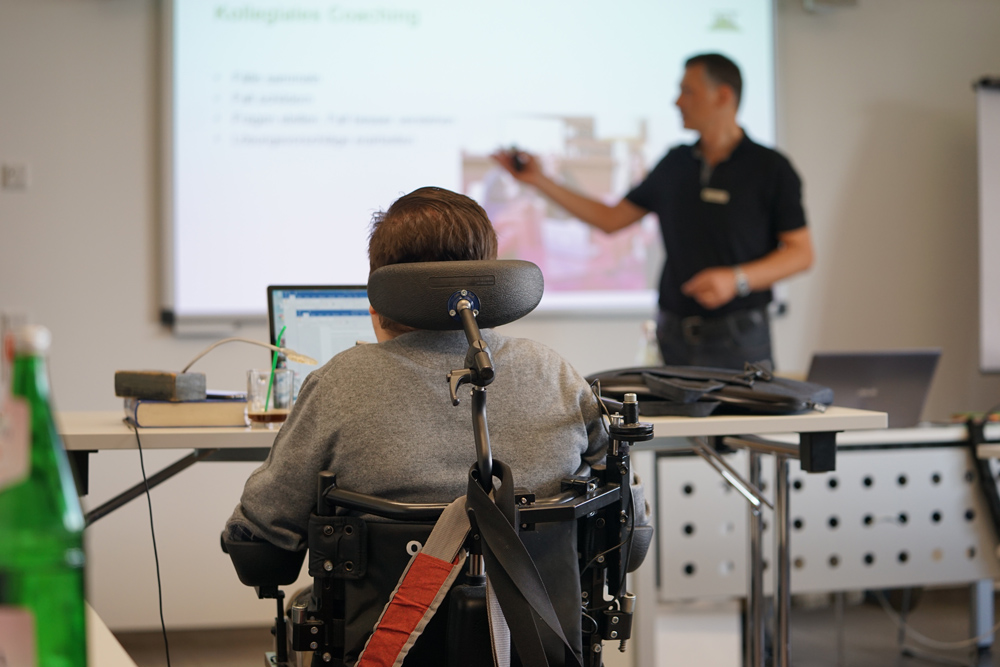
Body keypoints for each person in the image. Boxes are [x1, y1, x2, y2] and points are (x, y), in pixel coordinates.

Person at [224, 186, 621, 552]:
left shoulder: (340, 382)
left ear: (381, 294)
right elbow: (628, 531)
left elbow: (262, 533)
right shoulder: (552, 372)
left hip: (388, 627)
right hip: (538, 624)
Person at [492, 53, 814, 369]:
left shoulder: (770, 168)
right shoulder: (675, 163)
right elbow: (611, 219)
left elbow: (801, 253)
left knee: (744, 424)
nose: (678, 102)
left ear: (723, 96)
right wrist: (537, 180)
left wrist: (737, 279)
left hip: (741, 337)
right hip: (673, 334)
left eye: (688, 91)